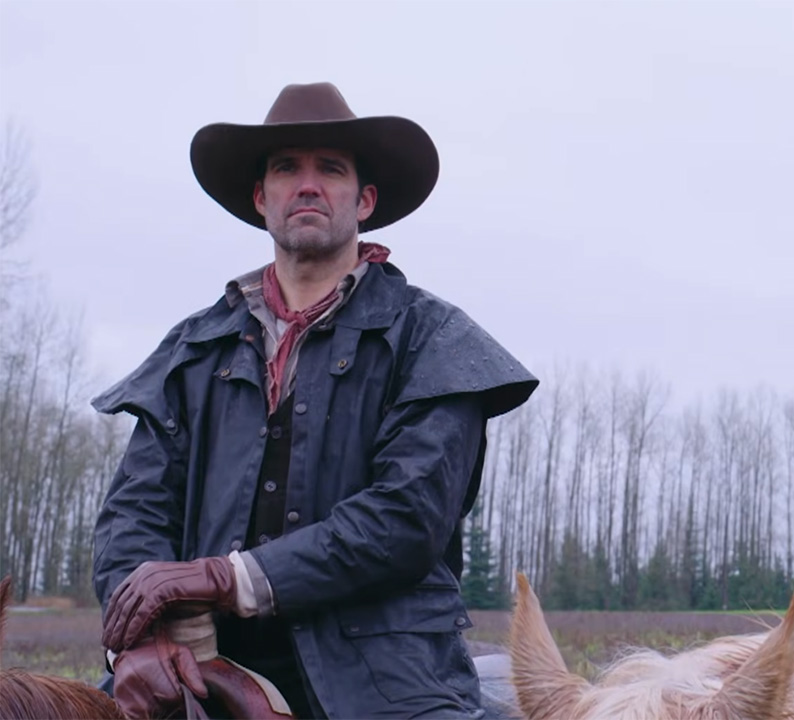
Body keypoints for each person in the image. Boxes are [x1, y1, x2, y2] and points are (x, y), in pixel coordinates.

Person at [91, 82, 538, 719]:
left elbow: (405, 519)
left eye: (330, 169)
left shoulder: (432, 340)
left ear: (365, 201)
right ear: (260, 197)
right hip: (197, 672)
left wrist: (223, 577)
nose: (307, 184)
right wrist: (140, 642)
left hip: (388, 682)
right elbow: (132, 515)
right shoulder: (193, 349)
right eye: (285, 169)